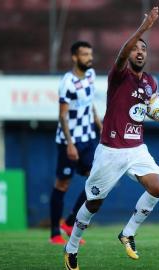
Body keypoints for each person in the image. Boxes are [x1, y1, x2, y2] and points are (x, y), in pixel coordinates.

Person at [64, 6, 159, 269]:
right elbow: (122, 53)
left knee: (158, 187)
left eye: (144, 49)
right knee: (94, 203)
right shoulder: (119, 75)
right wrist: (144, 28)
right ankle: (71, 248)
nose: (139, 52)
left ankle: (128, 233)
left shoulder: (151, 83)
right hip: (111, 150)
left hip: (137, 148)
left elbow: (154, 108)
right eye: (136, 48)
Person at [50, 41, 103, 245]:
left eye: (90, 53)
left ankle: (70, 222)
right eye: (84, 54)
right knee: (62, 184)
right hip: (68, 142)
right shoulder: (67, 82)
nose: (89, 57)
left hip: (88, 138)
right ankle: (55, 232)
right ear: (74, 57)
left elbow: (90, 105)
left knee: (97, 180)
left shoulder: (90, 75)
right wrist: (70, 144)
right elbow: (62, 116)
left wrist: (100, 125)